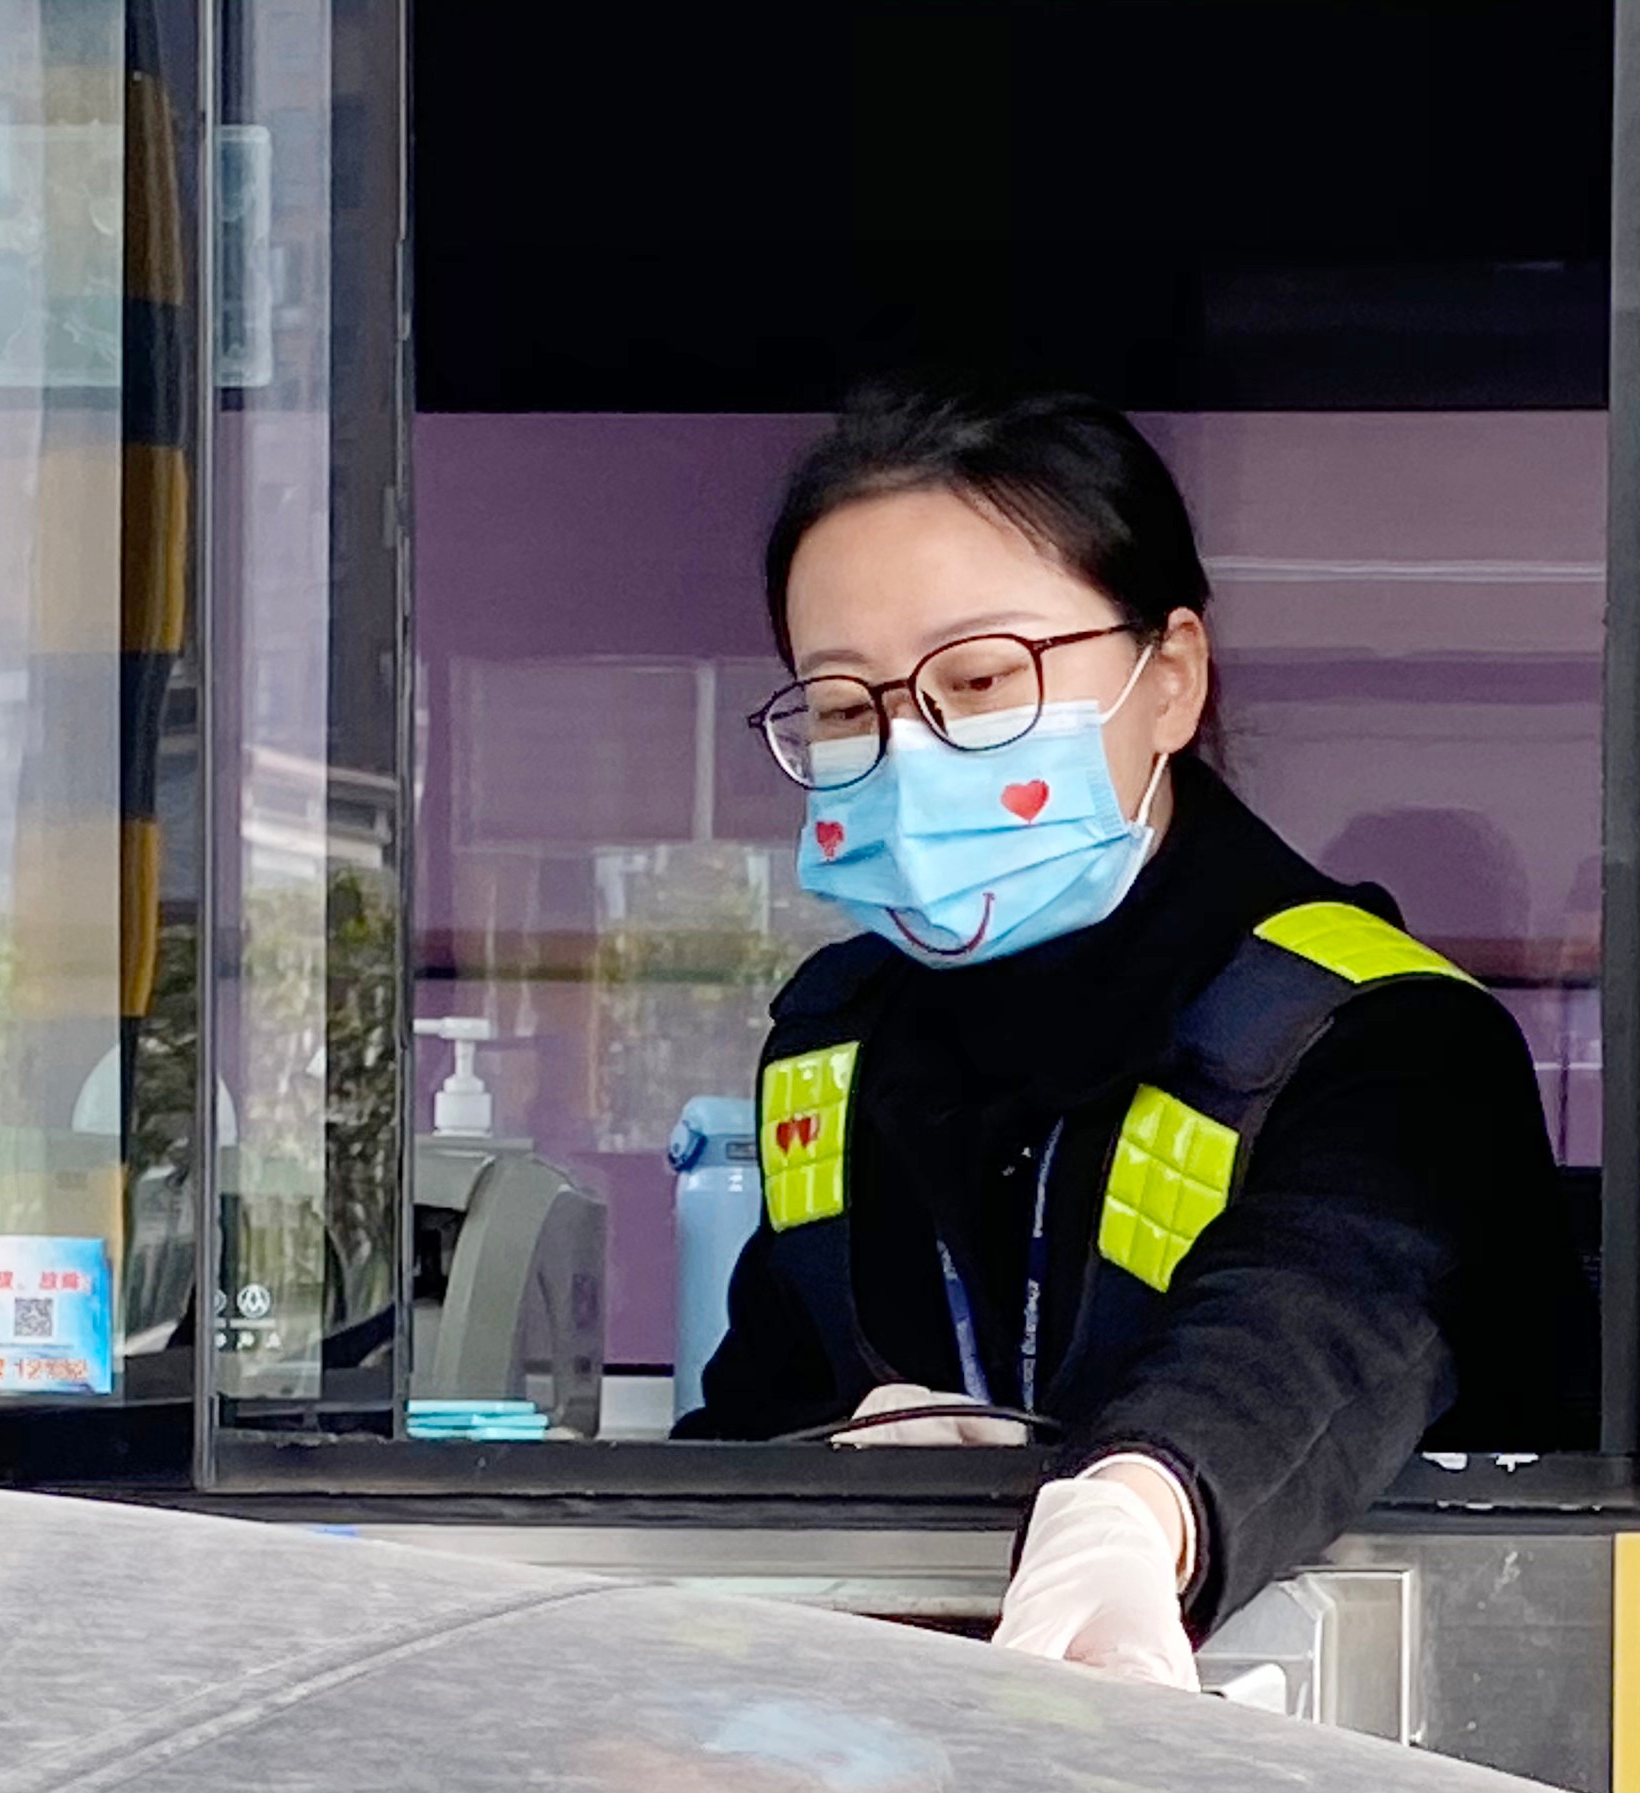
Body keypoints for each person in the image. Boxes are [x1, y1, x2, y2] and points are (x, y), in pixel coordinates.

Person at [682, 385, 1593, 1689]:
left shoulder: (1380, 1035)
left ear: (1169, 680)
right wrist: (827, 1449)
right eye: (842, 706)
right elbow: (739, 1433)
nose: (906, 753)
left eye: (980, 681)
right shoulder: (837, 1043)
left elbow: (1321, 1323)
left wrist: (1136, 1509)